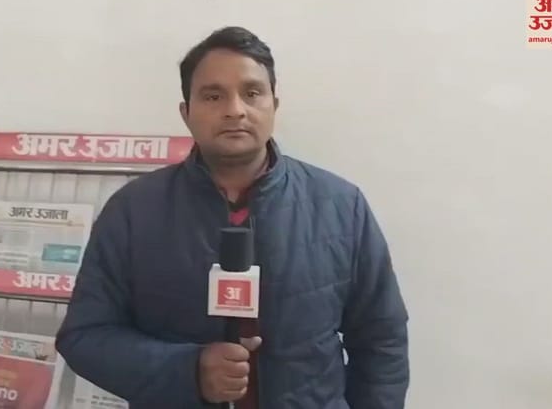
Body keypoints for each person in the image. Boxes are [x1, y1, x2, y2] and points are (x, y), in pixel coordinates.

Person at [56, 26, 409, 408]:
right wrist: (189, 370)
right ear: (186, 113)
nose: (235, 109)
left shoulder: (340, 206)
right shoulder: (133, 210)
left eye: (252, 93)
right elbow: (84, 336)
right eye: (213, 96)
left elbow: (382, 340)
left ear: (274, 104)